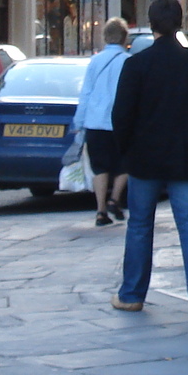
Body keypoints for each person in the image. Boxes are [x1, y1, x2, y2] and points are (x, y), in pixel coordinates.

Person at [109, 0, 188, 320]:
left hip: (146, 156)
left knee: (141, 224)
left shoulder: (137, 65)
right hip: (187, 153)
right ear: (181, 22)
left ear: (151, 23)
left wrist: (126, 151)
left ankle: (131, 295)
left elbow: (121, 116)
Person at [72, 17, 131, 226]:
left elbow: (86, 93)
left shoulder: (95, 61)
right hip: (119, 123)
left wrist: (78, 123)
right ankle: (115, 198)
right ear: (125, 38)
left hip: (95, 122)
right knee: (125, 164)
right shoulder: (128, 61)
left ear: (105, 37)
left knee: (100, 167)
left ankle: (100, 210)